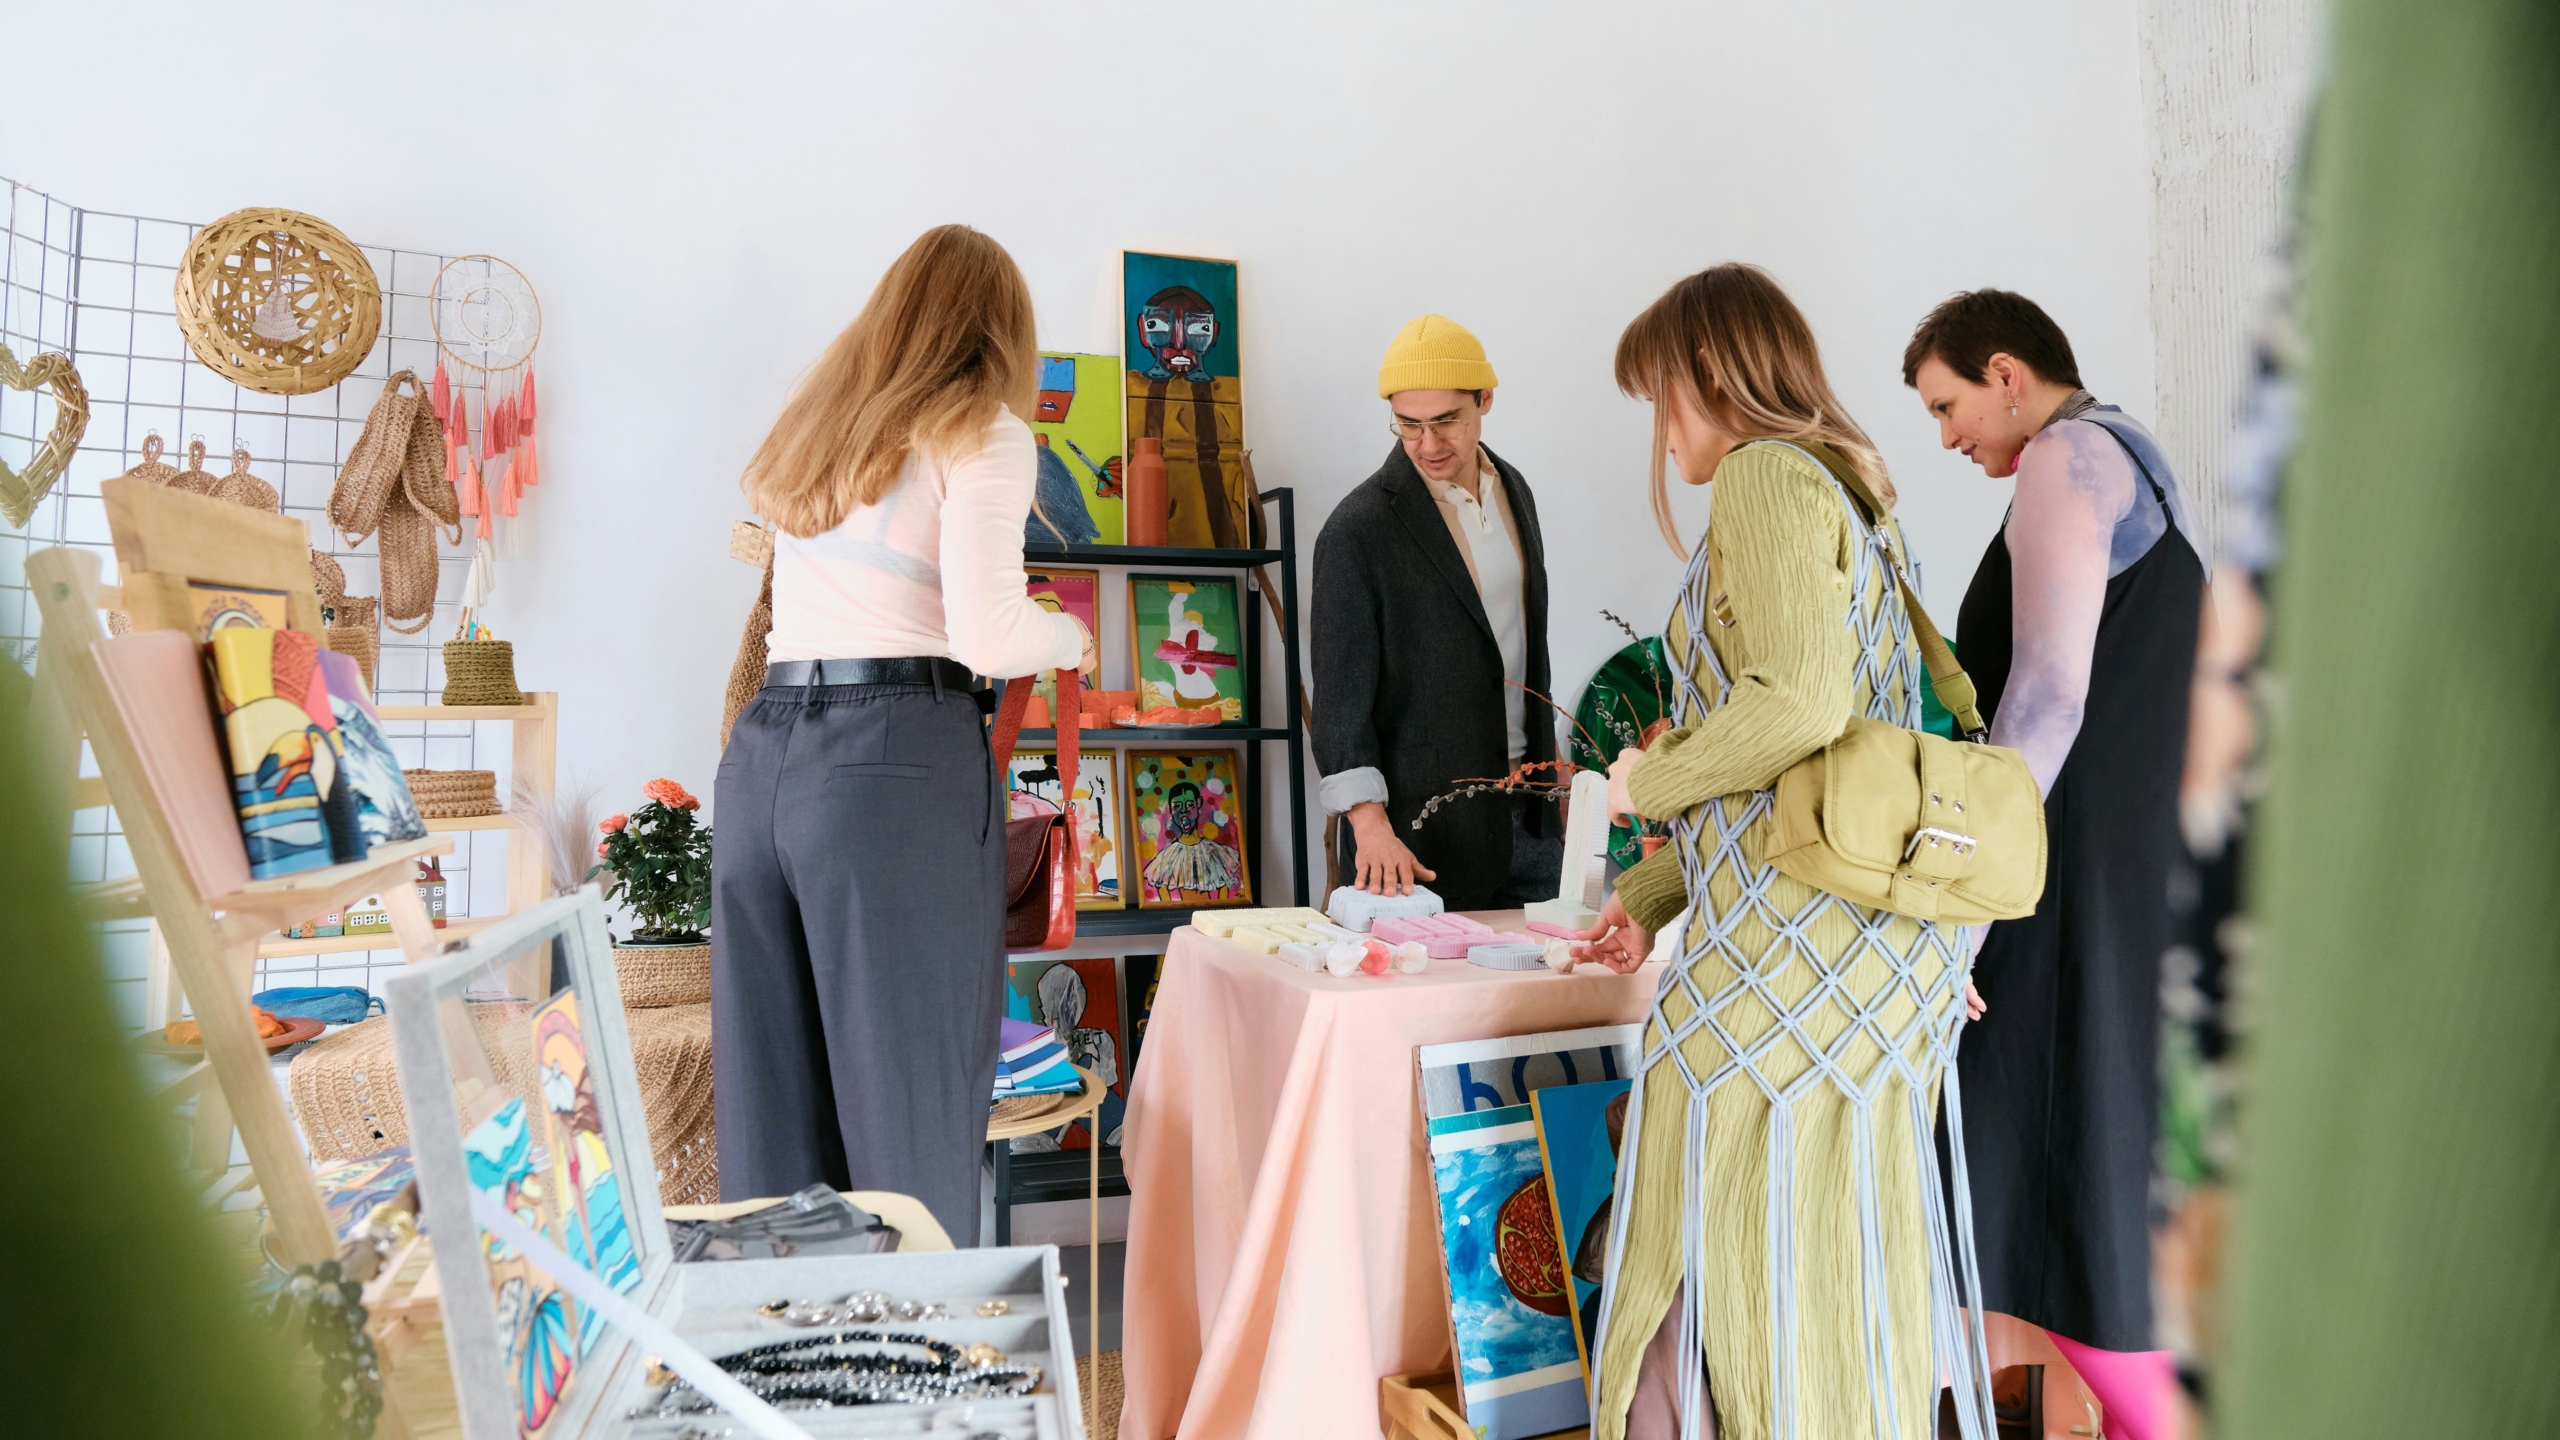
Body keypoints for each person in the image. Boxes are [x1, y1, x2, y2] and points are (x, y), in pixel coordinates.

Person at [1568, 264, 1986, 1440]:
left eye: (1661, 395)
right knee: (1822, 1262)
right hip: (1862, 960)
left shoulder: (1761, 477)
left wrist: (1648, 780)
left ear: (1709, 375)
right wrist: (1654, 889)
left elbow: (1795, 708)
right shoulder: (1858, 494)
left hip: (1783, 975)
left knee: (1698, 1247)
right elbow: (1820, 769)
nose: (1662, 430)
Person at [714, 224, 1097, 1245]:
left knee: (771, 1119)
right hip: (889, 766)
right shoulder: (984, 433)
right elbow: (990, 634)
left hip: (762, 758)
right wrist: (1072, 638)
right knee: (911, 1105)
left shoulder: (822, 433)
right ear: (999, 333)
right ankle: (924, 1365)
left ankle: (786, 1380)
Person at [1904, 289, 2203, 1440]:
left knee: (2048, 1177)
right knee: (2067, 1174)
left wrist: (1957, 914)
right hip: (2114, 872)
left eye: (1946, 405)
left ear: (2005, 372)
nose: (1946, 437)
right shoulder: (2138, 457)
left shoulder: (2065, 458)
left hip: (2058, 881)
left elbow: (2044, 700)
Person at [1312, 314, 1559, 908]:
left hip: (1531, 818)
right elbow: (1341, 703)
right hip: (1415, 844)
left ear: (1485, 401)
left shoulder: (1515, 491)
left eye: (1447, 421)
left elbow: (1522, 641)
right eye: (1409, 426)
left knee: (1551, 996)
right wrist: (1370, 828)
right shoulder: (1357, 530)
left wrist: (1557, 785)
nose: (1428, 445)